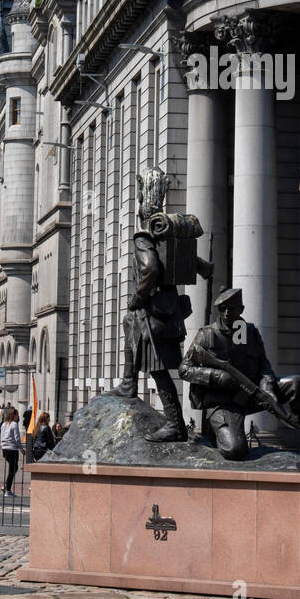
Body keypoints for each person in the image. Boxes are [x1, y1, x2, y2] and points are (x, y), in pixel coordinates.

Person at [115, 167, 211, 444]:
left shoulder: (145, 236)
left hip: (152, 313)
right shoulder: (169, 235)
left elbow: (151, 269)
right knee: (131, 327)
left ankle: (173, 423)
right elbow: (199, 265)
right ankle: (129, 382)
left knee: (157, 367)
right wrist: (207, 268)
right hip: (171, 313)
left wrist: (138, 297)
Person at [180, 288, 300, 461]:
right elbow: (184, 368)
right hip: (223, 403)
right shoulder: (207, 334)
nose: (227, 313)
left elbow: (265, 367)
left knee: (295, 382)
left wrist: (268, 391)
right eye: (223, 308)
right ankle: (220, 433)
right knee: (234, 450)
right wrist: (216, 376)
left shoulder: (250, 332)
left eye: (232, 308)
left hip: (251, 393)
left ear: (241, 310)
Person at [0, 407, 23, 496]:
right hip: (12, 449)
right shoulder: (14, 424)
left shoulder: (4, 424)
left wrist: (2, 447)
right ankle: (7, 489)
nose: (18, 417)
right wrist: (21, 449)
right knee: (12, 469)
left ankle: (6, 486)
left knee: (14, 468)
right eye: (17, 415)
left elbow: (1, 436)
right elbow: (17, 438)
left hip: (5, 448)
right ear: (14, 415)